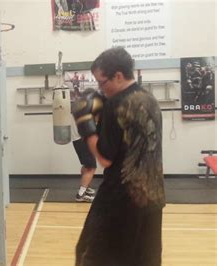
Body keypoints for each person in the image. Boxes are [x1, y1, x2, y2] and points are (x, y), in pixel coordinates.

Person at [72, 47, 165, 266]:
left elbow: (105, 158)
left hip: (120, 199)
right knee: (143, 260)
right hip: (153, 197)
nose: (100, 89)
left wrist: (86, 127)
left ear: (119, 76)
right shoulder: (149, 99)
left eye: (102, 82)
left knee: (89, 254)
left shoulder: (116, 105)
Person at [70, 88, 98, 203]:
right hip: (83, 140)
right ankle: (80, 195)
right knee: (91, 167)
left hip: (77, 140)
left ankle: (85, 188)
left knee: (87, 165)